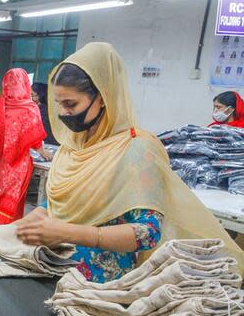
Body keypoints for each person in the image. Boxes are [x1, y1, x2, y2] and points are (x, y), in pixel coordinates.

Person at [15, 42, 244, 283]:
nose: (64, 113)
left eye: (71, 104)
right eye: (59, 104)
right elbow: (57, 201)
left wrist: (72, 233)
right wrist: (29, 222)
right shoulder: (72, 148)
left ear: (102, 97)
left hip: (101, 284)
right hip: (54, 266)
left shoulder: (136, 151)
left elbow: (148, 232)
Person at [0, 68, 52, 225]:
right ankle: (4, 239)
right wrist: (45, 153)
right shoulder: (30, 108)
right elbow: (34, 139)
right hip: (17, 167)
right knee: (10, 205)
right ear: (24, 84)